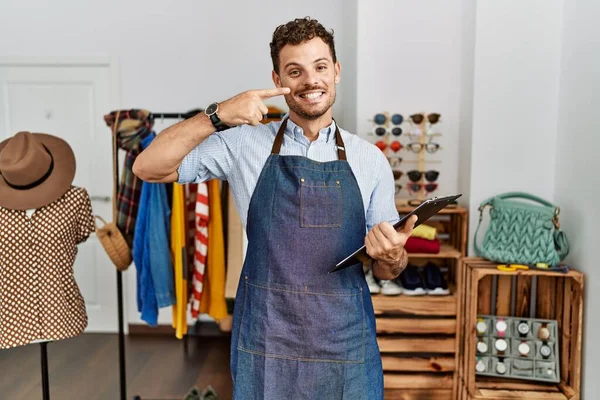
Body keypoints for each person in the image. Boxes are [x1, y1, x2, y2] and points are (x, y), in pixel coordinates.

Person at [133, 16, 416, 400]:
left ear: (336, 71)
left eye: (319, 67)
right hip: (268, 336)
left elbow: (388, 268)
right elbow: (147, 167)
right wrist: (217, 115)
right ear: (278, 79)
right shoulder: (242, 144)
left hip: (345, 339)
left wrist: (393, 254)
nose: (310, 80)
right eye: (294, 71)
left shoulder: (370, 160)